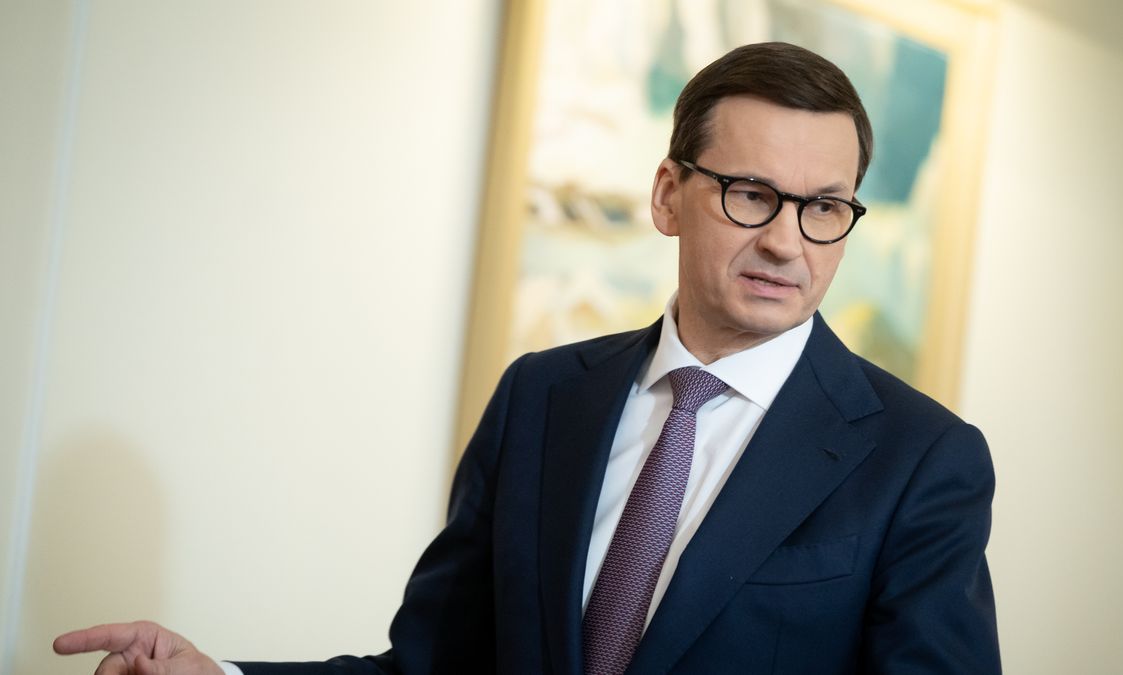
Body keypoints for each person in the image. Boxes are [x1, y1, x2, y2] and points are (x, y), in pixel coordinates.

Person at [54, 42, 1000, 674]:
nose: (787, 241)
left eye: (824, 206)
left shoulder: (921, 460)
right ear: (668, 194)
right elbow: (433, 664)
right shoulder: (542, 399)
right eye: (751, 193)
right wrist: (219, 674)